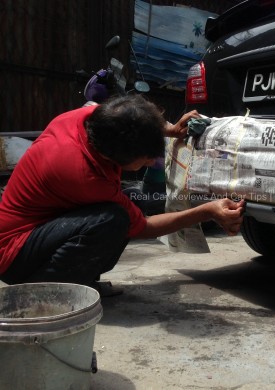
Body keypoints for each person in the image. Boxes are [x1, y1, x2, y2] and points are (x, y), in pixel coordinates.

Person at [0, 95, 245, 296]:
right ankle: (45, 291)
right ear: (112, 158)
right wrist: (206, 210)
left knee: (126, 206)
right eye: (147, 159)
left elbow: (130, 114)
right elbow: (143, 227)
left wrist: (169, 129)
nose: (152, 160)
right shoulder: (82, 174)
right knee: (115, 219)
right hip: (14, 255)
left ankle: (78, 281)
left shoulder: (90, 119)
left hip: (41, 230)